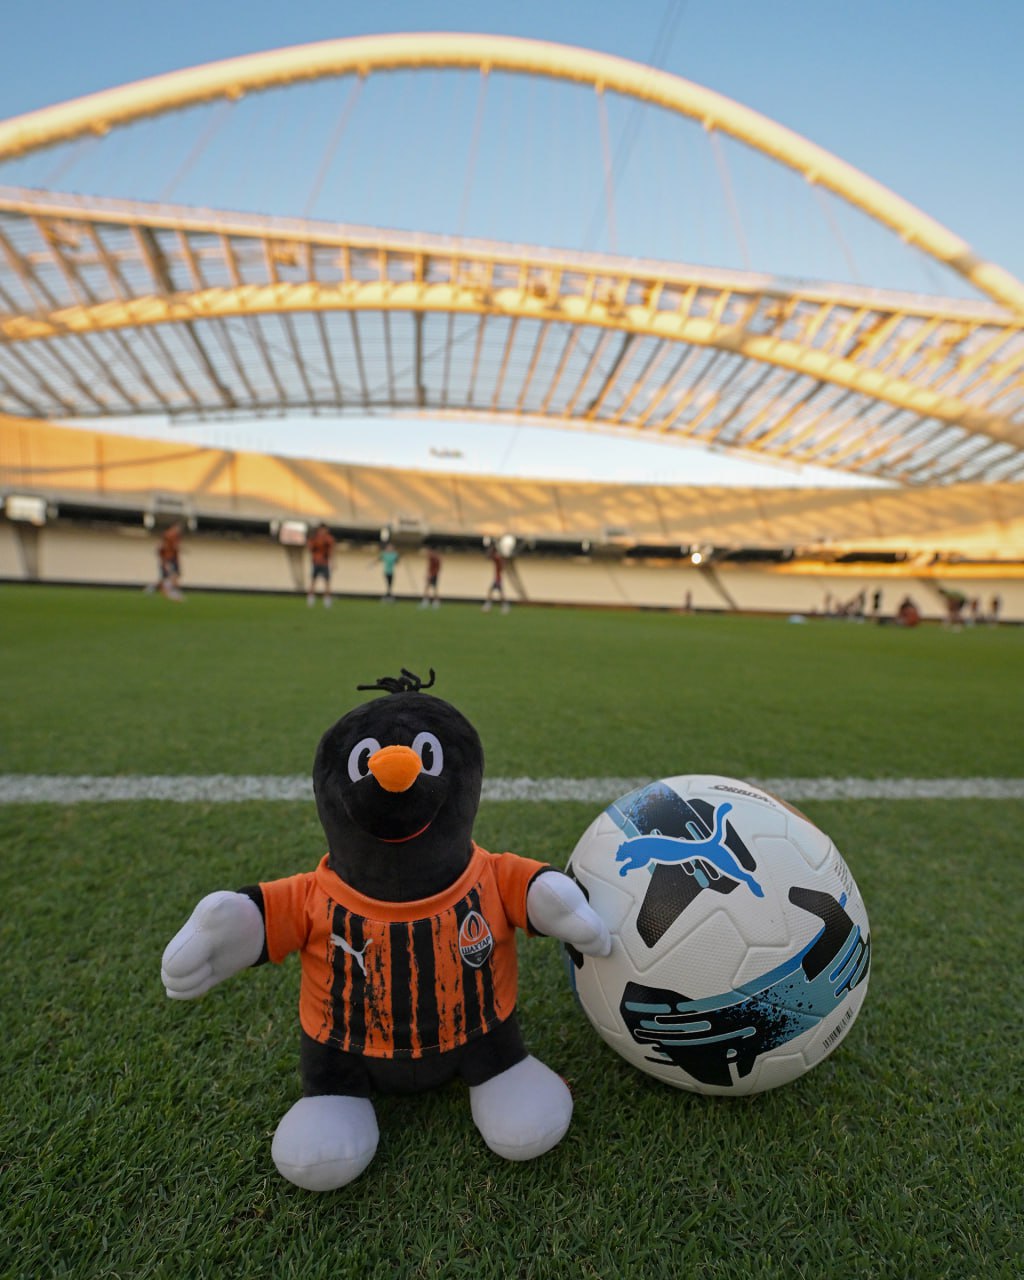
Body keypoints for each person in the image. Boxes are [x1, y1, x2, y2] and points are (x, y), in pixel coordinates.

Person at [147, 521, 184, 600]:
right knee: (172, 576)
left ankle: (152, 588)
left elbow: (174, 547)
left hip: (173, 559)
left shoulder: (176, 536)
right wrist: (164, 560)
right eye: (178, 527)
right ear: (173, 527)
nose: (179, 529)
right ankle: (172, 592)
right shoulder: (168, 535)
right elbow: (162, 547)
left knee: (170, 577)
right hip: (168, 559)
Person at [306, 522, 336, 608]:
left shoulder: (329, 539)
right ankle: (310, 600)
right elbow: (310, 548)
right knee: (313, 581)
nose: (322, 531)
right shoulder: (314, 538)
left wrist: (333, 562)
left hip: (325, 563)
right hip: (316, 562)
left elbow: (331, 551)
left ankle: (327, 600)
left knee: (327, 582)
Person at [482, 545, 508, 613]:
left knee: (492, 591)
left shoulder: (497, 557)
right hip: (498, 578)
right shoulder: (499, 557)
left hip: (497, 579)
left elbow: (488, 557)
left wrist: (490, 550)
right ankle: (504, 606)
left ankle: (489, 605)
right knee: (499, 593)